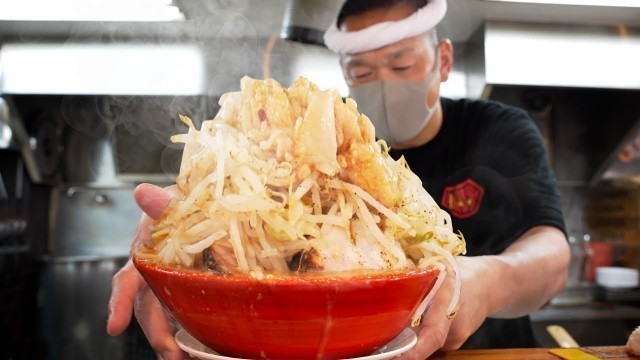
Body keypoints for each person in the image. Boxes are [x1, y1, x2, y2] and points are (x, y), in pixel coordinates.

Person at [107, 0, 570, 358]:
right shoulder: (320, 157)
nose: (384, 83)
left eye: (402, 65)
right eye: (363, 72)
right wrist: (186, 233)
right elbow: (259, 226)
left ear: (443, 61)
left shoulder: (499, 128)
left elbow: (551, 254)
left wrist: (486, 281)